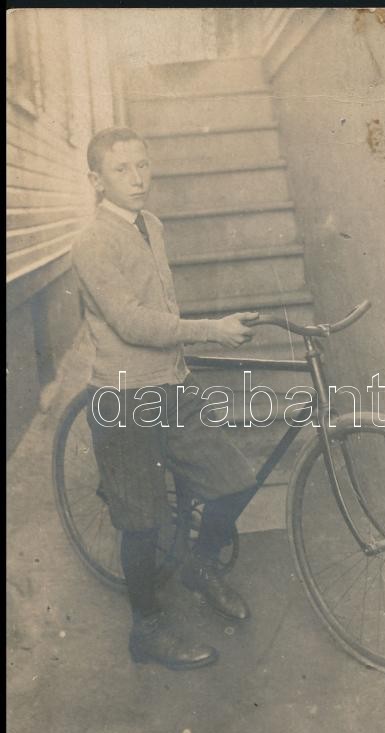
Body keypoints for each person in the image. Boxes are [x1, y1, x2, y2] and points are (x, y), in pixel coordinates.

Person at [72, 126, 259, 670]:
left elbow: (161, 305)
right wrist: (211, 331)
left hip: (172, 384)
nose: (137, 179)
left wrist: (189, 347)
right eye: (121, 169)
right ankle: (147, 630)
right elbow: (131, 322)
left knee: (234, 480)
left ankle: (200, 566)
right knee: (142, 520)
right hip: (123, 396)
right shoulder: (92, 242)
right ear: (96, 180)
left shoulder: (151, 225)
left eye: (143, 165)